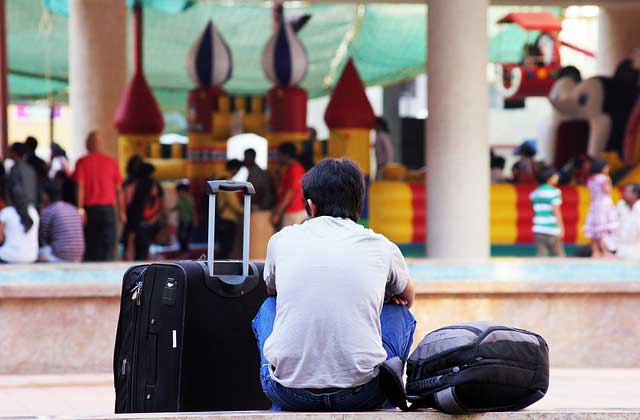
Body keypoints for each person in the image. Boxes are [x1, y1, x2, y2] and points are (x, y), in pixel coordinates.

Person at [252, 158, 416, 411]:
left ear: (310, 205)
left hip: (289, 393)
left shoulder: (281, 240)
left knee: (268, 306)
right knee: (399, 312)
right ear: (359, 204)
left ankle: (283, 392)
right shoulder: (382, 245)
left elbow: (272, 290)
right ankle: (386, 398)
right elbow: (408, 297)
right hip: (364, 393)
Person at [73, 130, 126, 261]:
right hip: (108, 210)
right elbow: (119, 190)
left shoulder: (82, 162)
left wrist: (80, 209)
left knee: (92, 245)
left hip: (91, 211)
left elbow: (80, 187)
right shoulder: (112, 162)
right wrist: (122, 212)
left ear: (88, 144)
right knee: (108, 246)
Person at [123, 163, 162, 261]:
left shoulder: (132, 182)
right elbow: (156, 198)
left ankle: (129, 256)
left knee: (132, 237)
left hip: (134, 214)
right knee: (144, 245)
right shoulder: (153, 183)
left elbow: (127, 199)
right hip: (148, 217)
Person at [38, 180, 85, 263]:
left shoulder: (48, 211)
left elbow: (43, 237)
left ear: (45, 196)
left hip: (60, 257)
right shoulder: (72, 208)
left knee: (38, 252)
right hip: (78, 257)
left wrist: (41, 211)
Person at [583, 157, 618, 258]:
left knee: (594, 231)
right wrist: (609, 181)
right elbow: (607, 190)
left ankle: (595, 251)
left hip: (594, 205)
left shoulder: (591, 178)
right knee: (601, 231)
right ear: (602, 168)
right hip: (603, 206)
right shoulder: (604, 178)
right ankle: (605, 251)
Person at [244, 148, 275, 259]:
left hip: (261, 210)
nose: (244, 160)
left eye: (246, 157)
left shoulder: (257, 172)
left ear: (251, 157)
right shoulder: (252, 171)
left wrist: (252, 204)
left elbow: (259, 190)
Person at [530, 166, 565, 257]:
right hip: (552, 229)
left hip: (538, 228)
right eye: (555, 176)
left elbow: (533, 209)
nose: (557, 177)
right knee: (559, 255)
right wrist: (561, 228)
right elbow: (556, 211)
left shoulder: (535, 193)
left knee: (541, 255)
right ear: (549, 178)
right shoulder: (555, 192)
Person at [0, 185, 39, 263]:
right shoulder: (33, 212)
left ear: (9, 198)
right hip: (31, 257)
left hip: (9, 257)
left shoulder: (6, 212)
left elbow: (0, 238)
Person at [272, 142, 306, 228]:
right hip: (291, 212)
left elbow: (291, 193)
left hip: (294, 213)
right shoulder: (290, 169)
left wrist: (278, 212)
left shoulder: (295, 169)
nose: (277, 158)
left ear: (286, 155)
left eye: (279, 155)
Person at [216, 159, 245, 259]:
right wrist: (244, 210)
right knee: (226, 248)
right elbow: (232, 202)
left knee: (223, 246)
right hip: (227, 218)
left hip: (221, 216)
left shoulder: (218, 179)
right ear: (234, 169)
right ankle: (222, 267)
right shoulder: (226, 181)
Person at [609, 183, 640, 260]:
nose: (623, 193)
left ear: (635, 195)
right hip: (618, 246)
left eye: (626, 192)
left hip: (636, 247)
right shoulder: (620, 205)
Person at [174, 182, 195, 252]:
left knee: (184, 236)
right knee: (180, 236)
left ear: (184, 192)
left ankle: (185, 250)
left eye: (179, 192)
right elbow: (177, 207)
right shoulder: (179, 200)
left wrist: (195, 220)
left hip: (187, 221)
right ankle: (183, 250)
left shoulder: (189, 200)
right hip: (181, 221)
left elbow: (193, 210)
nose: (178, 194)